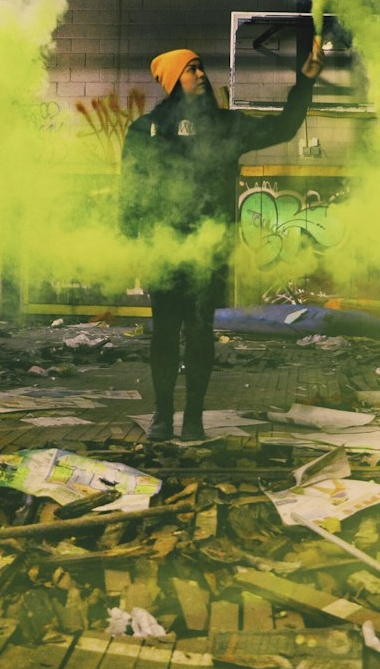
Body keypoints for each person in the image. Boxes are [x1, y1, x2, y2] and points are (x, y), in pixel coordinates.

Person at [119, 36, 325, 441]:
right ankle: (162, 417)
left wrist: (305, 84)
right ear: (173, 80)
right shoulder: (147, 130)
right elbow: (131, 193)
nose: (201, 74)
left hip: (208, 252)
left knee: (198, 333)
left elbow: (282, 129)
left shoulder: (226, 127)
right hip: (164, 252)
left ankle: (192, 419)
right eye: (191, 69)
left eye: (200, 67)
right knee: (163, 334)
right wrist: (131, 246)